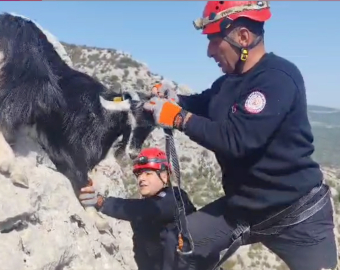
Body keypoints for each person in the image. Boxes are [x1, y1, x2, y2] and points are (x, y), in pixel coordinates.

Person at [143, 1, 337, 270]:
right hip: (244, 209)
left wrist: (177, 118)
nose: (210, 52)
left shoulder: (277, 78)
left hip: (298, 215)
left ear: (243, 37)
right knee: (180, 243)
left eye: (214, 40)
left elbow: (237, 140)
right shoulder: (228, 83)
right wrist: (174, 100)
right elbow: (202, 104)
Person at [78, 147, 197, 270]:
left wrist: (102, 202)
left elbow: (147, 209)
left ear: (164, 176)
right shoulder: (142, 214)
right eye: (138, 174)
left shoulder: (176, 198)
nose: (141, 178)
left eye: (148, 173)